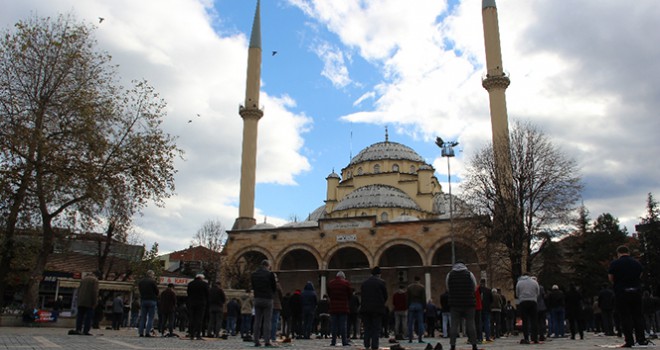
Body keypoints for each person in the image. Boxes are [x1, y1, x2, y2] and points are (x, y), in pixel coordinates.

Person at [608, 245, 648, 347]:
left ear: (618, 253)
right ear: (628, 252)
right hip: (636, 291)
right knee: (638, 316)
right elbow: (640, 275)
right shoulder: (636, 263)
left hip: (622, 292)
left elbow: (611, 278)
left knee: (625, 316)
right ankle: (641, 339)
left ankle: (629, 340)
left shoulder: (615, 264)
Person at [446, 261, 478, 350]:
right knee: (471, 324)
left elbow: (448, 288)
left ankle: (452, 345)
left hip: (455, 304)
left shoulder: (450, 275)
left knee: (454, 325)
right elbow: (475, 287)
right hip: (469, 303)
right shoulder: (469, 274)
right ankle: (474, 344)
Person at [360, 266, 387, 350]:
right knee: (376, 328)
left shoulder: (364, 283)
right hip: (377, 309)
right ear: (379, 274)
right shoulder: (381, 283)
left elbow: (362, 295)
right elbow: (385, 296)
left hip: (366, 309)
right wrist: (381, 302)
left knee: (367, 327)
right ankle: (374, 345)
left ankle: (367, 344)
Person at [251, 259, 276, 347]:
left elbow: (253, 286)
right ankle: (266, 341)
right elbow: (274, 287)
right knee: (267, 321)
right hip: (267, 299)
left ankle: (256, 340)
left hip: (257, 298)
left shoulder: (254, 274)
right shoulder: (270, 274)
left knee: (257, 320)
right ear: (267, 265)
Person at [327, 271, 352, 346]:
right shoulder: (346, 283)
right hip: (343, 307)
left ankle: (333, 341)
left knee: (334, 325)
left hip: (333, 307)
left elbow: (329, 293)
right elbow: (350, 294)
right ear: (343, 277)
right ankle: (344, 341)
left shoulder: (331, 283)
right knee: (343, 325)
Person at [516, 273, 540, 344]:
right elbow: (537, 292)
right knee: (534, 320)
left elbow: (517, 293)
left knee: (525, 321)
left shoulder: (519, 282)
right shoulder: (534, 282)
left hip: (523, 302)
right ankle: (535, 338)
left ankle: (526, 337)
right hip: (533, 301)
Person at [73, 271, 99, 335]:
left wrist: (79, 300)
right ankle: (86, 330)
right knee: (89, 317)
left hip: (81, 301)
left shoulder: (83, 279)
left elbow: (79, 290)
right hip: (89, 302)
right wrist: (95, 302)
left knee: (80, 316)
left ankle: (78, 329)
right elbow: (95, 292)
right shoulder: (94, 280)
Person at [187, 273, 209, 340]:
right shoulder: (204, 284)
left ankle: (191, 334)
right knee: (199, 319)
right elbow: (207, 294)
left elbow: (188, 293)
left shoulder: (190, 284)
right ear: (201, 278)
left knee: (192, 319)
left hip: (192, 303)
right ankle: (198, 334)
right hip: (201, 303)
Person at [138, 270, 159, 337]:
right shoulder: (152, 282)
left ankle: (141, 332)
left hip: (143, 300)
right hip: (151, 300)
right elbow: (157, 291)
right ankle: (147, 332)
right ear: (151, 275)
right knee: (150, 317)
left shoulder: (141, 282)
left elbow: (140, 290)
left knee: (143, 317)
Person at [406, 275, 426, 343]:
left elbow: (407, 298)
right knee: (420, 322)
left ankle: (410, 338)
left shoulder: (409, 287)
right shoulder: (422, 287)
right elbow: (423, 298)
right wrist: (424, 307)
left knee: (410, 323)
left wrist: (408, 306)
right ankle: (420, 338)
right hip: (419, 305)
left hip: (411, 305)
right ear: (419, 280)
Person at [271, 274, 284, 342]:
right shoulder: (277, 285)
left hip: (268, 304)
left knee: (268, 321)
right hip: (276, 305)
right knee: (274, 321)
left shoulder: (267, 285)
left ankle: (267, 336)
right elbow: (281, 294)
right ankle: (273, 336)